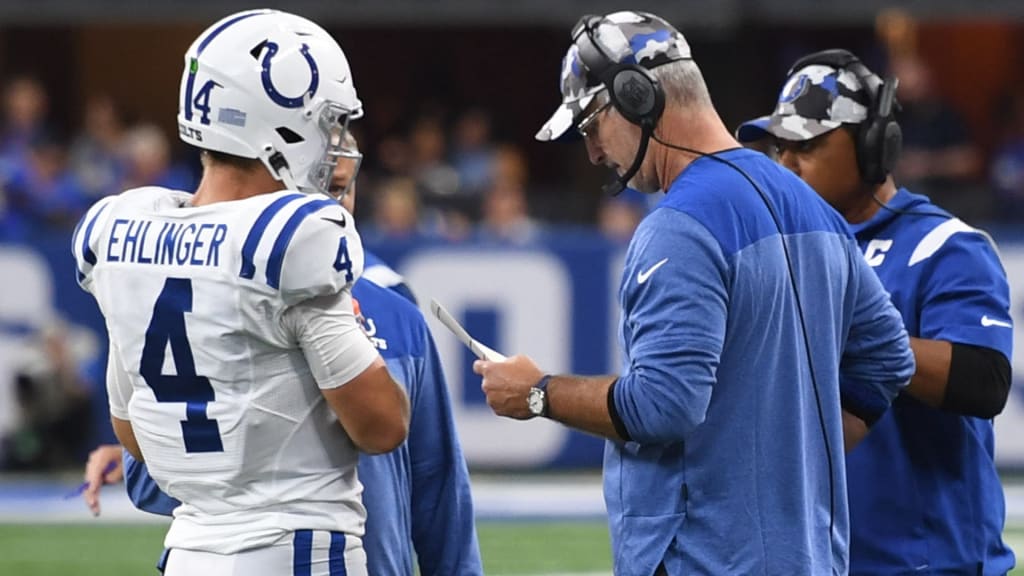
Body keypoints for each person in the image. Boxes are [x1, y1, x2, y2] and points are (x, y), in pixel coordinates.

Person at [476, 11, 915, 576]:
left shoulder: (679, 226)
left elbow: (664, 405)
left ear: (637, 98)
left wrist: (538, 393)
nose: (591, 153)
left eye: (590, 126)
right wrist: (793, 467)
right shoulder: (817, 211)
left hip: (707, 558)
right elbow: (888, 362)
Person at [71, 9, 410, 576]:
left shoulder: (124, 230)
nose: (338, 142)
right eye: (328, 123)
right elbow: (383, 427)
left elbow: (132, 435)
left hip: (188, 549)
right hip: (296, 547)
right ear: (277, 126)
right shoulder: (292, 239)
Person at [82, 136, 482, 576]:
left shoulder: (398, 314)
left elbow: (436, 481)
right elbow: (153, 475)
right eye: (319, 186)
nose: (333, 207)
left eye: (341, 188)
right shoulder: (202, 297)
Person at [736, 49, 1015, 575]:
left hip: (930, 562)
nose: (787, 165)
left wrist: (852, 333)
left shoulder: (945, 245)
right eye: (780, 148)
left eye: (807, 145)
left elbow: (984, 379)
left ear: (872, 147)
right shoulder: (781, 253)